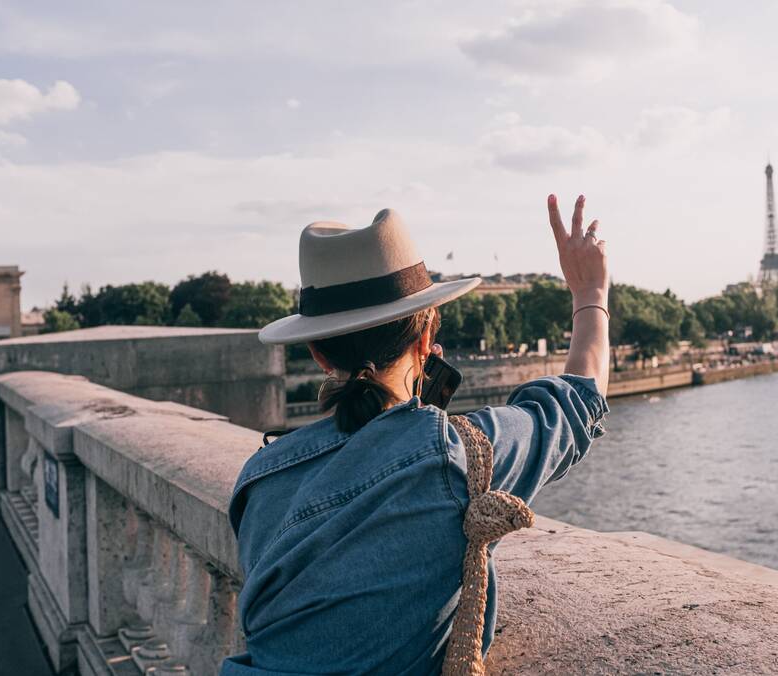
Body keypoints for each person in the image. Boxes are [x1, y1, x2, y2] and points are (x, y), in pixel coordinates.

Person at [222, 195, 610, 675]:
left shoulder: (258, 478)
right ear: (426, 341)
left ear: (319, 355)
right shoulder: (452, 455)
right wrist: (590, 293)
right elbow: (574, 403)